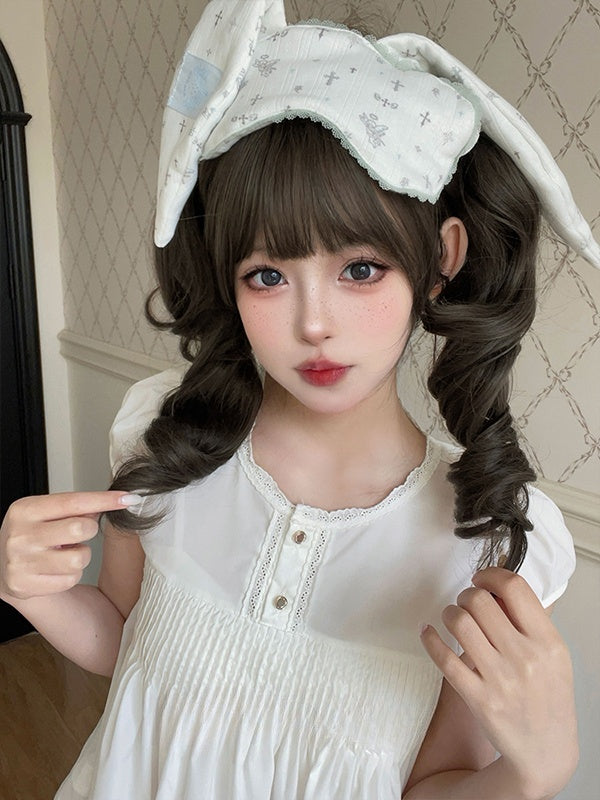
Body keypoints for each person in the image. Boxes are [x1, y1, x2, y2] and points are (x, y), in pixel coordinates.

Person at [1, 2, 597, 798]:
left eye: (360, 269)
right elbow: (128, 642)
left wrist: (535, 772)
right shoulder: (165, 438)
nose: (314, 324)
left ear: (440, 259)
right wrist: (34, 592)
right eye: (268, 276)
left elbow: (435, 783)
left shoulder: (482, 537)